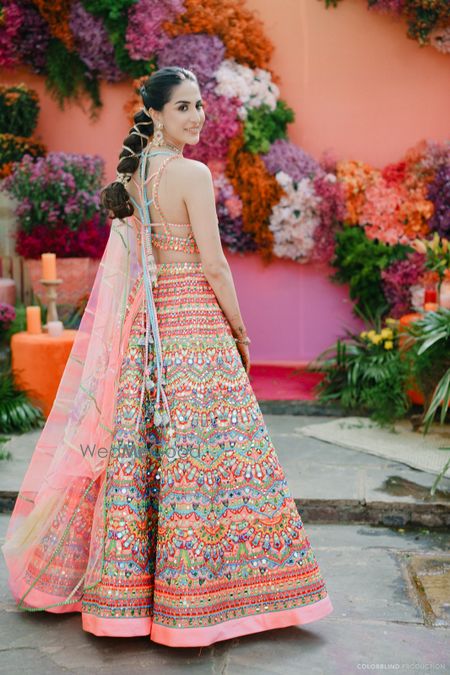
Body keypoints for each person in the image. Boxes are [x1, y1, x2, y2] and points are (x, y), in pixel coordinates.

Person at [2, 66, 333, 648]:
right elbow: (213, 264)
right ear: (153, 113)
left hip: (145, 329)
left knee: (143, 454)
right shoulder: (192, 174)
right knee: (210, 457)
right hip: (194, 327)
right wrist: (240, 328)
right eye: (183, 107)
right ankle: (213, 596)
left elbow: (132, 265)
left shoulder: (131, 177)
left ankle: (129, 600)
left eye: (199, 105)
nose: (197, 116)